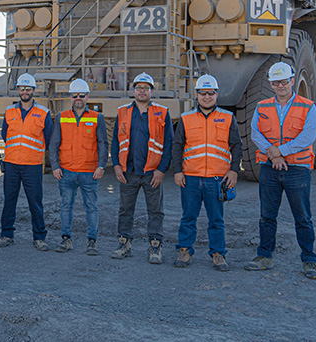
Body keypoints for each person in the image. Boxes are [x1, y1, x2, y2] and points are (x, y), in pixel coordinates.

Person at [245, 62, 316, 280]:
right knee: (267, 216)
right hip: (270, 168)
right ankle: (264, 257)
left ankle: (309, 260)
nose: (280, 85)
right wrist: (274, 155)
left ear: (292, 81)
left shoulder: (308, 107)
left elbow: (308, 136)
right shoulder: (262, 107)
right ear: (270, 84)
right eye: (276, 82)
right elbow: (256, 133)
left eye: (284, 81)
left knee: (303, 217)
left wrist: (280, 151)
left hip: (297, 169)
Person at [171, 74, 242, 271]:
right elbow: (177, 147)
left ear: (217, 95)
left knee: (216, 220)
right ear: (197, 95)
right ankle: (184, 250)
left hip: (217, 179)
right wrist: (178, 171)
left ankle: (218, 253)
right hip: (191, 178)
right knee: (188, 217)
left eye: (211, 93)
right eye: (203, 93)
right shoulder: (186, 118)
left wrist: (234, 171)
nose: (207, 97)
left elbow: (236, 146)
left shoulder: (228, 118)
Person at [110, 72, 173, 264]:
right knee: (125, 209)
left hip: (151, 172)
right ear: (134, 90)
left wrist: (162, 170)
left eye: (146, 88)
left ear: (152, 91)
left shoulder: (162, 112)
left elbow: (169, 143)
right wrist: (116, 165)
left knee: (155, 211)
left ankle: (155, 246)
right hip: (128, 171)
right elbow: (115, 141)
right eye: (139, 88)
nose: (142, 91)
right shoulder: (123, 112)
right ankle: (124, 243)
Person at [0, 73, 53, 251]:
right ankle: (6, 235)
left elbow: (48, 138)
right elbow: (5, 135)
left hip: (32, 165)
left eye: (28, 89)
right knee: (9, 201)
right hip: (11, 163)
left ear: (33, 90)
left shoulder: (43, 113)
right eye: (22, 88)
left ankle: (39, 237)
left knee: (35, 202)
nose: (25, 92)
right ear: (18, 90)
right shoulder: (10, 112)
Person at [49, 79, 108, 255]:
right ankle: (66, 239)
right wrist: (55, 166)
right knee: (66, 206)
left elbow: (103, 144)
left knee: (91, 206)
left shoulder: (97, 118)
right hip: (66, 171)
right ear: (70, 97)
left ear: (87, 96)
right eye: (74, 95)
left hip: (89, 172)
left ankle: (92, 242)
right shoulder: (61, 116)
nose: (78, 98)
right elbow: (54, 144)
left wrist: (101, 166)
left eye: (81, 95)